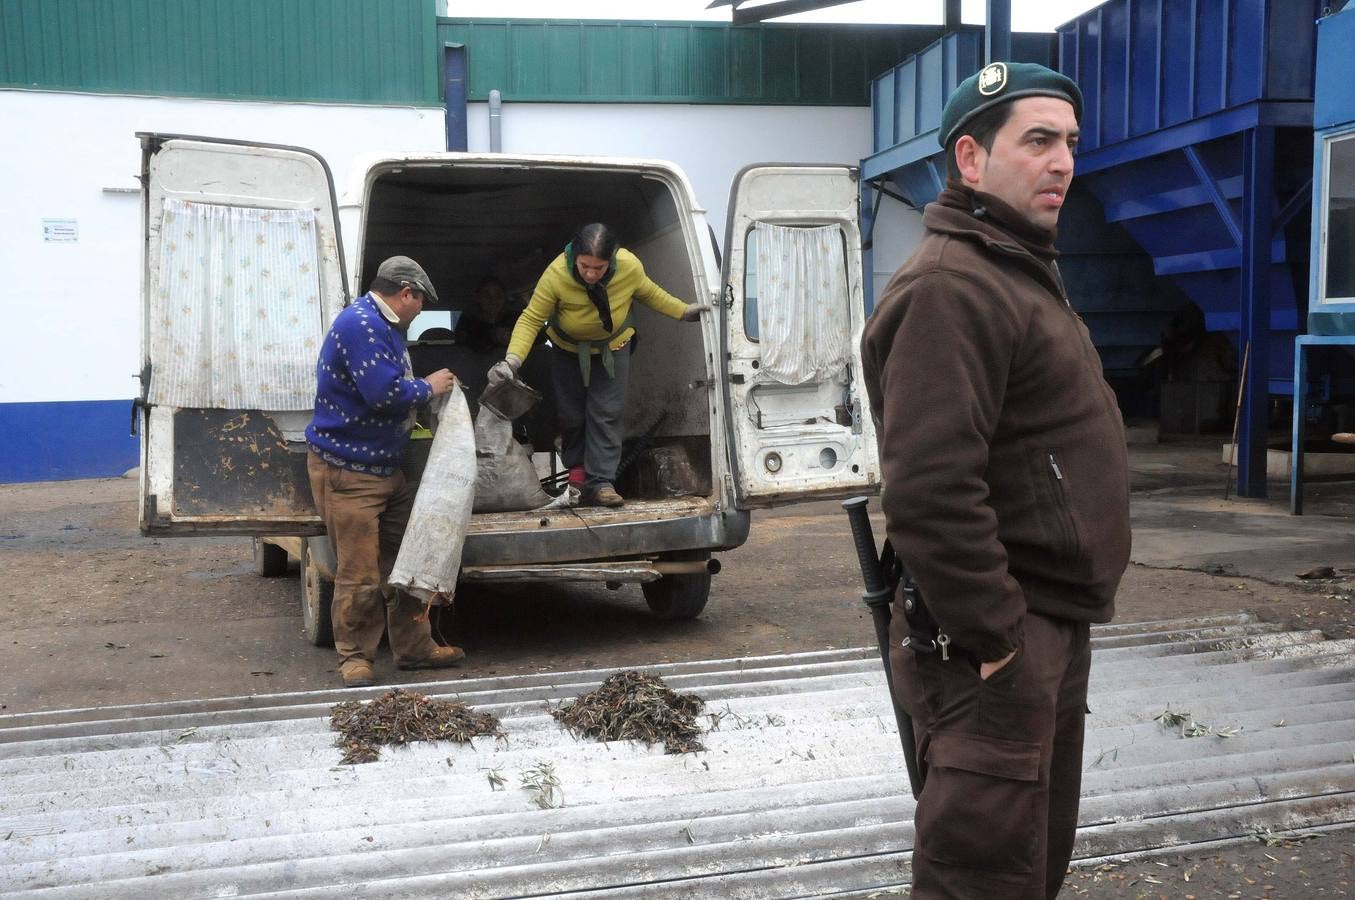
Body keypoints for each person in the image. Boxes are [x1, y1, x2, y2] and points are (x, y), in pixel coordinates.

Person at [860, 62, 1131, 898]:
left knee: (1027, 864)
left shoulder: (1013, 270)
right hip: (994, 644)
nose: (1062, 163)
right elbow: (931, 487)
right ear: (969, 160)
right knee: (979, 872)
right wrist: (997, 636)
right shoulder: (953, 286)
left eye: (1070, 144)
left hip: (1045, 624)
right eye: (1038, 141)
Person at [305, 256, 467, 688]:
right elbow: (383, 393)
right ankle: (355, 658)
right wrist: (429, 387)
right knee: (359, 573)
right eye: (421, 304)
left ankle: (414, 648)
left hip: (384, 469)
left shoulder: (385, 324)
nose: (419, 313)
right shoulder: (362, 325)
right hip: (348, 471)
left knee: (407, 563)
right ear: (407, 292)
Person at [488, 223, 709, 508]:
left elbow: (650, 293)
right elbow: (531, 318)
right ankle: (577, 478)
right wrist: (513, 360)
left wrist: (683, 311)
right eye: (584, 266)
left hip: (613, 348)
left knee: (606, 413)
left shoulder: (629, 266)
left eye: (599, 267)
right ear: (573, 257)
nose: (591, 273)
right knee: (571, 414)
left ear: (612, 259)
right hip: (567, 350)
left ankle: (602, 483)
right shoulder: (556, 273)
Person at [453, 277, 516, 355]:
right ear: (478, 298)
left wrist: (513, 339)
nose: (492, 299)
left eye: (498, 295)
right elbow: (462, 347)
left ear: (504, 298)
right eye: (486, 294)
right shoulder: (468, 321)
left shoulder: (516, 320)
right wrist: (492, 337)